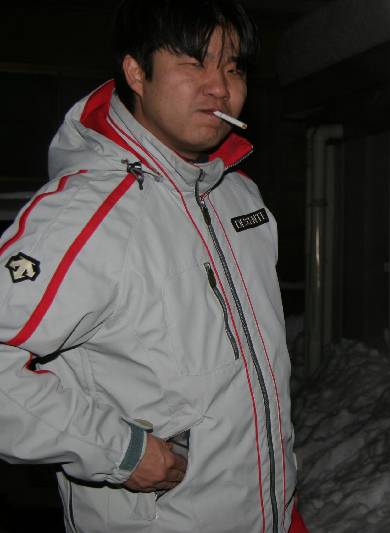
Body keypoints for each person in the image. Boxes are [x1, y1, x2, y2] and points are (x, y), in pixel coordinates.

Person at [0, 0, 307, 531]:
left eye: (233, 67)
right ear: (136, 73)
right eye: (194, 62)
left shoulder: (239, 195)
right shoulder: (84, 215)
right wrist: (117, 451)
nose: (220, 87)